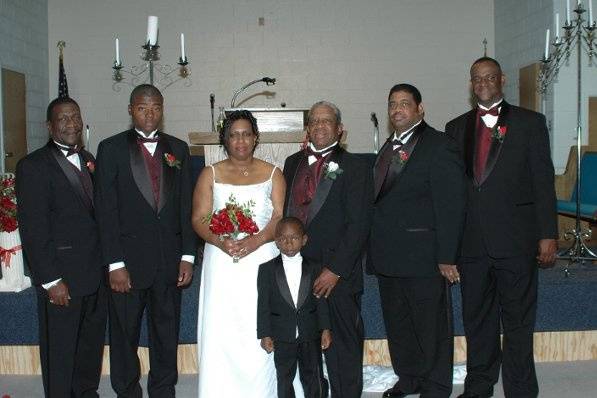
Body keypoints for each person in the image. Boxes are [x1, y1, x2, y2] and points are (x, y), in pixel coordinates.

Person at [445, 57, 558, 398]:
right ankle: (479, 386)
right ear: (470, 84)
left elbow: (542, 181)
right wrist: (448, 247)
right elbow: (451, 193)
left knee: (518, 323)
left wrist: (548, 233)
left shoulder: (529, 123)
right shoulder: (455, 128)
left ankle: (521, 390)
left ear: (502, 79)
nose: (483, 83)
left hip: (516, 241)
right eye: (476, 78)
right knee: (477, 322)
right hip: (472, 244)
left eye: (489, 77)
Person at [94, 84, 197, 397]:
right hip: (127, 263)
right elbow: (105, 209)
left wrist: (188, 256)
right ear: (130, 109)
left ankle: (164, 389)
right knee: (124, 335)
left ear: (162, 110)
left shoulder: (178, 149)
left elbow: (185, 206)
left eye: (155, 108)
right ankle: (127, 390)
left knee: (166, 333)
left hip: (169, 262)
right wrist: (114, 263)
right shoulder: (110, 148)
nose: (149, 113)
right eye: (142, 107)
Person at [368, 84, 466, 398]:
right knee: (399, 324)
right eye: (392, 104)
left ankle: (436, 386)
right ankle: (409, 378)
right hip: (388, 254)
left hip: (425, 255)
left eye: (405, 103)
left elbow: (451, 204)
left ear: (420, 109)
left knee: (430, 326)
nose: (397, 109)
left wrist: (447, 255)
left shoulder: (439, 145)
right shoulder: (387, 147)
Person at [16, 97, 107, 397]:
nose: (71, 123)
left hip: (95, 275)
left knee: (89, 348)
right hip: (62, 277)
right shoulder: (33, 166)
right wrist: (51, 280)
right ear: (49, 126)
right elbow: (33, 229)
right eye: (63, 118)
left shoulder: (89, 159)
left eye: (75, 117)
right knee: (60, 352)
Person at [192, 109, 286, 397]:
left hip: (262, 256)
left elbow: (280, 218)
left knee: (258, 321)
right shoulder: (210, 173)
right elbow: (199, 218)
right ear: (225, 139)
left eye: (246, 134)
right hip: (222, 259)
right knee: (224, 325)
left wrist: (255, 240)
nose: (241, 140)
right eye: (234, 135)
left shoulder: (273, 173)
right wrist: (221, 241)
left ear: (255, 138)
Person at [283, 101, 373, 397]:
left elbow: (358, 225)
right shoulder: (292, 163)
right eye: (314, 121)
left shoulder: (356, 167)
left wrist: (335, 270)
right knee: (307, 347)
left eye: (327, 121)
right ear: (307, 129)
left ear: (340, 129)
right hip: (300, 273)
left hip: (337, 274)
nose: (320, 126)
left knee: (342, 347)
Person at [257, 216, 332, 398]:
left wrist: (325, 328)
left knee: (313, 375)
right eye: (283, 239)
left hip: (310, 332)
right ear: (276, 242)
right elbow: (263, 304)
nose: (289, 243)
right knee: (284, 377)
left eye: (294, 238)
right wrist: (264, 333)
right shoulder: (266, 270)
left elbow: (321, 300)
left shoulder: (315, 267)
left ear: (304, 240)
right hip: (281, 335)